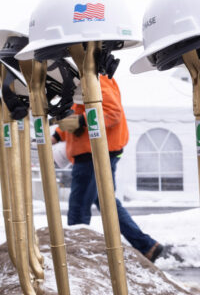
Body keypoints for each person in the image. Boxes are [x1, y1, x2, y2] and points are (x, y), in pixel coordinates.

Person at [52, 75, 164, 262]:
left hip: (94, 152)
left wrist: (81, 121)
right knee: (106, 203)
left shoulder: (94, 77)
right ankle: (147, 246)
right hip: (94, 150)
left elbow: (112, 113)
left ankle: (76, 257)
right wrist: (57, 134)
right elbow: (78, 112)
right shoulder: (82, 81)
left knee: (79, 207)